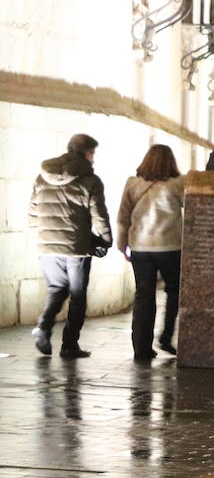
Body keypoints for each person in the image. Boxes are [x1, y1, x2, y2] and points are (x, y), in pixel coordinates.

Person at [28, 133, 113, 359]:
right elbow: (99, 215)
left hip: (46, 245)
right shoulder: (90, 180)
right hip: (76, 247)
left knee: (57, 289)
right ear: (88, 153)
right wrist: (106, 240)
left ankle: (44, 328)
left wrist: (43, 234)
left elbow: (32, 213)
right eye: (92, 154)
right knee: (77, 295)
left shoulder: (42, 177)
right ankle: (69, 345)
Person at [116, 145, 186, 361]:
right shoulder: (178, 184)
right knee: (175, 291)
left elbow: (123, 217)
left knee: (143, 296)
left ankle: (141, 347)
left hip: (140, 247)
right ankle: (166, 336)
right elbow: (191, 207)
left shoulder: (133, 184)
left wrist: (122, 245)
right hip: (169, 246)